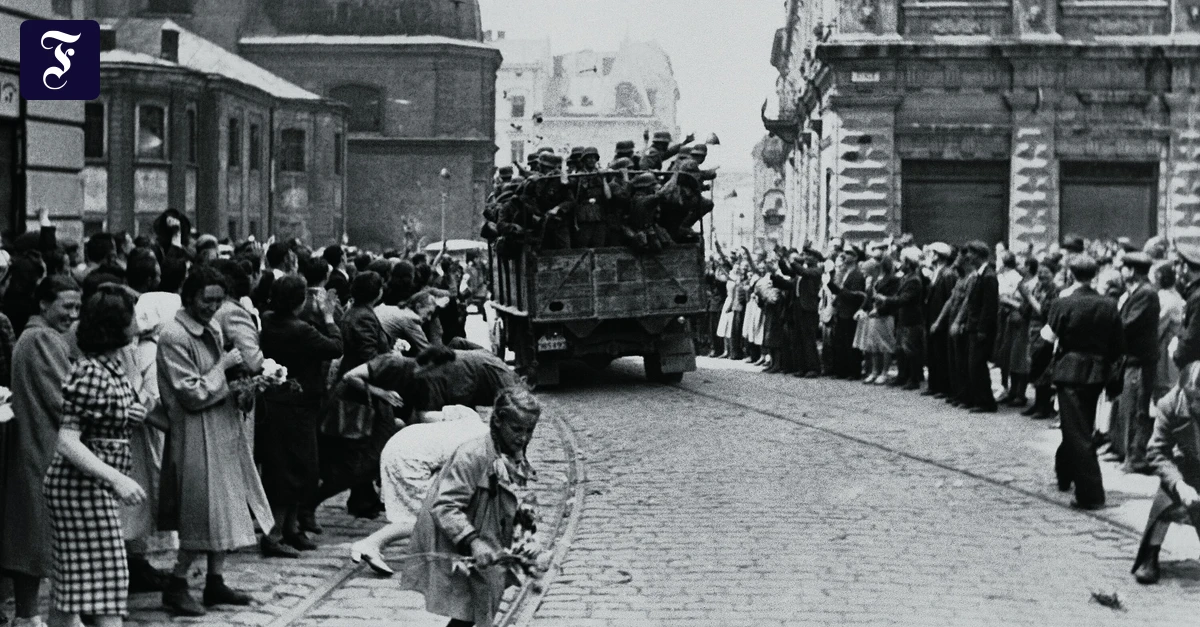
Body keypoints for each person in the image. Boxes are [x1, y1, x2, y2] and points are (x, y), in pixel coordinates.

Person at [157, 265, 272, 616]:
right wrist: (223, 366)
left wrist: (246, 388)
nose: (212, 307)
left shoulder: (213, 326)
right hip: (194, 431)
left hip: (221, 426)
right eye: (206, 300)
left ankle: (215, 580)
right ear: (190, 296)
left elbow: (224, 377)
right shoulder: (174, 335)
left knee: (225, 506)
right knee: (201, 511)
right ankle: (177, 583)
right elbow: (191, 393)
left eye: (218, 301)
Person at [42, 284, 145, 627]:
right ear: (116, 324)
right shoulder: (92, 373)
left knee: (75, 585)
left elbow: (99, 421)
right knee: (107, 580)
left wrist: (129, 415)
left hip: (91, 488)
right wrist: (117, 479)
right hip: (80, 489)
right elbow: (67, 441)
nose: (138, 321)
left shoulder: (109, 366)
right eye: (132, 315)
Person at [400, 386, 541, 627]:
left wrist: (526, 536)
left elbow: (514, 494)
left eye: (530, 431)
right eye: (517, 429)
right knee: (468, 609)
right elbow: (445, 505)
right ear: (498, 421)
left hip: (487, 532)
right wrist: (473, 541)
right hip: (460, 537)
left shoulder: (510, 450)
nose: (523, 438)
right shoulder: (472, 455)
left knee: (475, 607)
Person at [0, 276, 80, 627]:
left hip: (35, 444)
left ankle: (30, 615)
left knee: (31, 536)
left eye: (77, 307)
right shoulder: (42, 339)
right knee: (40, 538)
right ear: (44, 304)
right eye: (67, 306)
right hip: (45, 447)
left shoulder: (33, 336)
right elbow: (65, 397)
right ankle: (36, 616)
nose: (73, 314)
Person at [258, 276, 343, 558]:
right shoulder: (300, 330)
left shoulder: (268, 320)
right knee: (294, 470)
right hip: (297, 405)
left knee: (291, 468)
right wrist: (328, 317)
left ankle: (290, 529)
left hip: (279, 402)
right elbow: (335, 347)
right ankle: (274, 535)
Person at [1043, 254, 1123, 510]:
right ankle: (1064, 472)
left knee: (1077, 432)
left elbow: (1047, 339)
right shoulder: (1109, 305)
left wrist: (1040, 369)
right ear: (1095, 275)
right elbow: (1118, 344)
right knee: (1079, 424)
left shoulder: (1062, 303)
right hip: (1097, 372)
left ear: (1071, 274)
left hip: (1070, 371)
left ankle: (1091, 494)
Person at [1131, 361, 1200, 584]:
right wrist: (1179, 484)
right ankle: (1151, 554)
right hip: (1187, 464)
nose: (1196, 405)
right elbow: (1157, 451)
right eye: (1193, 398)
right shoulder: (1169, 404)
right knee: (1166, 498)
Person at [1114, 252, 1160, 474]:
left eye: (1124, 267)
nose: (1121, 271)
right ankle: (1130, 454)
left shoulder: (1146, 294)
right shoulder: (1139, 292)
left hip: (1140, 361)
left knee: (1136, 410)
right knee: (1129, 407)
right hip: (1133, 360)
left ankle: (1136, 458)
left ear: (1132, 270)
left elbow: (1128, 325)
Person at [959, 241, 1000, 413]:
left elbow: (989, 306)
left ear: (978, 255)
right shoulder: (980, 274)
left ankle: (986, 401)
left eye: (971, 253)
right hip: (974, 326)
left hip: (980, 329)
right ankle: (977, 398)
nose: (968, 256)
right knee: (973, 365)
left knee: (977, 365)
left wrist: (982, 329)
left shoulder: (989, 276)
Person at [923, 243, 957, 397]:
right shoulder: (936, 272)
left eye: (932, 253)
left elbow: (949, 298)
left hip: (940, 319)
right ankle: (934, 385)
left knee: (941, 353)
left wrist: (941, 320)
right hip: (931, 316)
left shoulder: (947, 274)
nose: (930, 256)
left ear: (938, 255)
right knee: (932, 353)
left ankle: (943, 387)